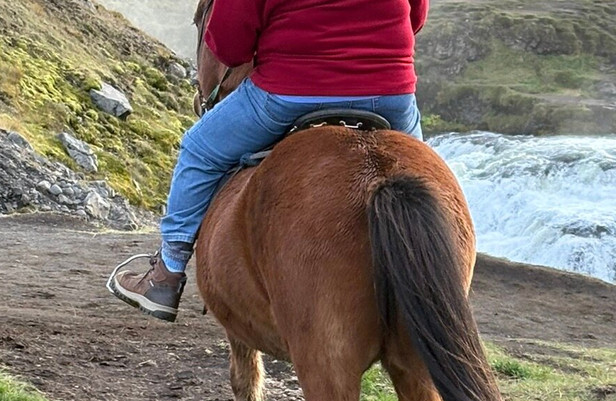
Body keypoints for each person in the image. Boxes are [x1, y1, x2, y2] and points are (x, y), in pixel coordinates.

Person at [108, 0, 428, 322]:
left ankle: (165, 275)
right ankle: (437, 263)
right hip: (390, 94)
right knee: (424, 175)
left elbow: (230, 48)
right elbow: (416, 18)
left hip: (289, 92)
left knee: (198, 150)